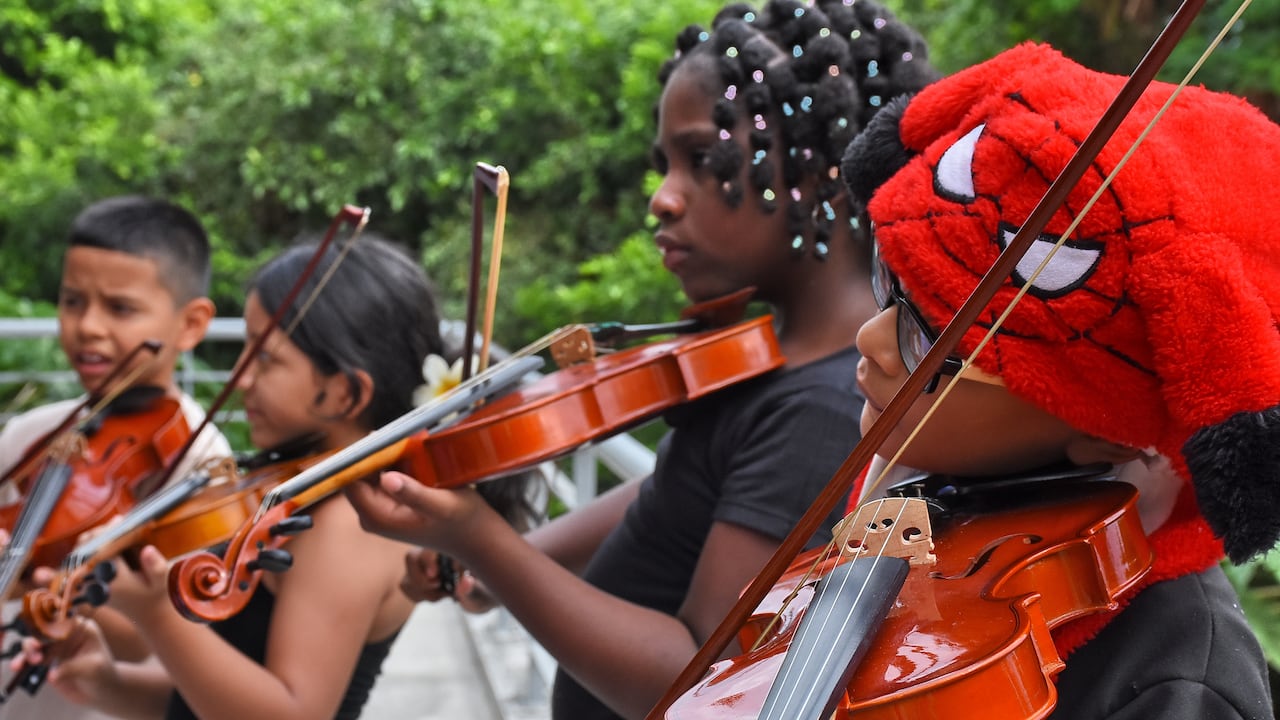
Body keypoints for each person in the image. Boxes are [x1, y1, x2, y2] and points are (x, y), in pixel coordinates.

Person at [344, 2, 938, 718]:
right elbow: (678, 492)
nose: (661, 199)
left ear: (813, 173)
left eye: (699, 158)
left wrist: (477, 536)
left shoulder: (824, 406)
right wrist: (498, 558)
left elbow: (694, 673)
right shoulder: (763, 362)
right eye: (665, 165)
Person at [840, 42, 1276, 718]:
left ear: (1103, 434)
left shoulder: (1176, 684)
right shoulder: (923, 501)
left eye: (930, 339)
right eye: (890, 289)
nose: (870, 341)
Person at [12, 234, 533, 720]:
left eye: (265, 357)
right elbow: (207, 700)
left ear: (346, 393)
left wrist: (156, 614)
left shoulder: (351, 524)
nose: (243, 377)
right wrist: (107, 683)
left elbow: (291, 710)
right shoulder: (297, 497)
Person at [0, 195, 232, 720]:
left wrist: (70, 592)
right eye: (72, 301)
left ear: (191, 325)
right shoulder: (32, 436)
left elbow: (145, 644)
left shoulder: (203, 466)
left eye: (120, 308)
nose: (88, 327)